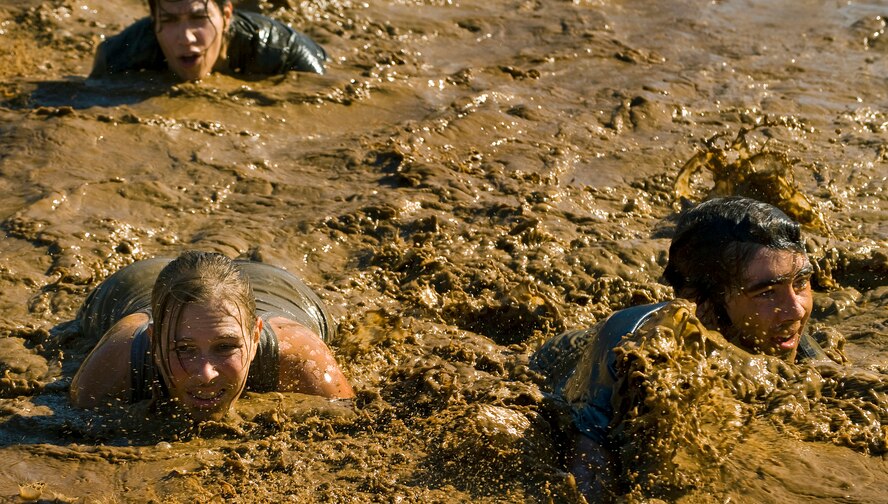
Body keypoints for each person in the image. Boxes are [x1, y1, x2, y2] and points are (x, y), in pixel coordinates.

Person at [530, 196, 832, 500]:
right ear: (700, 303)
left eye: (801, 283)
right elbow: (588, 468)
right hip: (555, 366)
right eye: (767, 293)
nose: (796, 310)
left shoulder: (781, 329)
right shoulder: (634, 348)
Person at [70, 251, 354, 423]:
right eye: (184, 349)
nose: (206, 374)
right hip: (136, 282)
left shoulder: (300, 357)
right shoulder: (118, 359)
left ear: (255, 337)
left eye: (226, 347)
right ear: (155, 342)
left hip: (279, 286)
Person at [90, 0, 327, 81]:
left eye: (198, 18)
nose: (185, 37)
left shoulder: (283, 51)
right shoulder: (118, 57)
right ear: (153, 21)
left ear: (226, 16)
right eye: (169, 20)